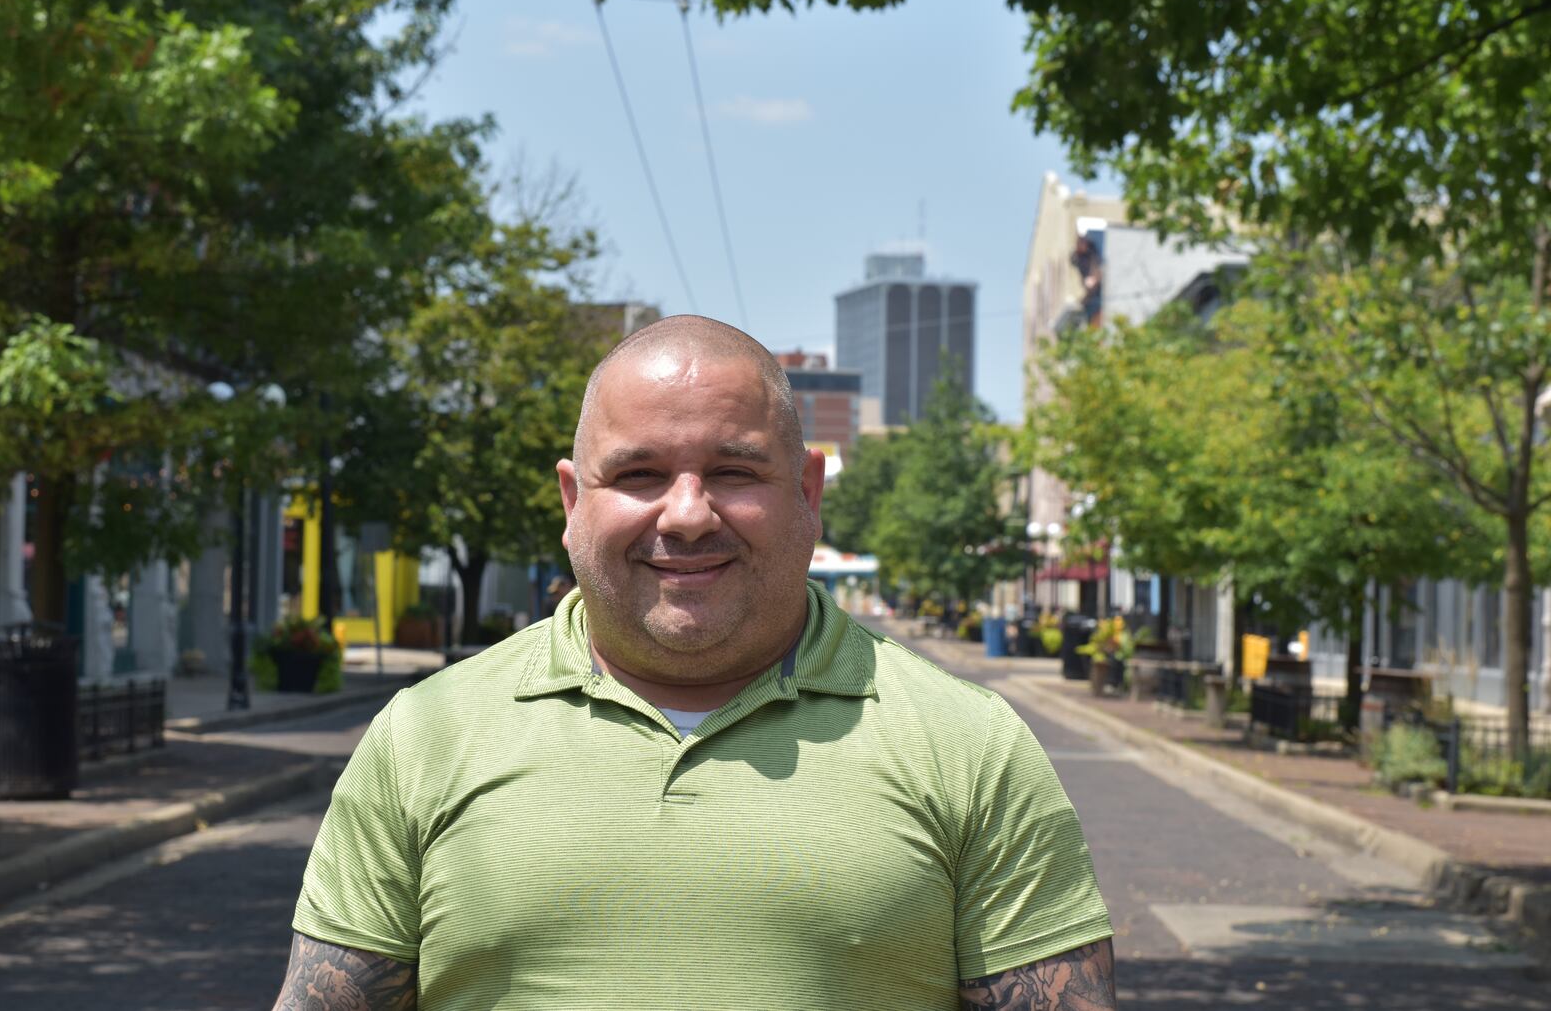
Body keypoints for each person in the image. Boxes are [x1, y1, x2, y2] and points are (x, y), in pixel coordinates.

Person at [272, 316, 1115, 1010]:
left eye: (733, 470)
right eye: (638, 473)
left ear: (808, 493)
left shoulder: (969, 745)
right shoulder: (425, 737)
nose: (686, 513)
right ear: (573, 502)